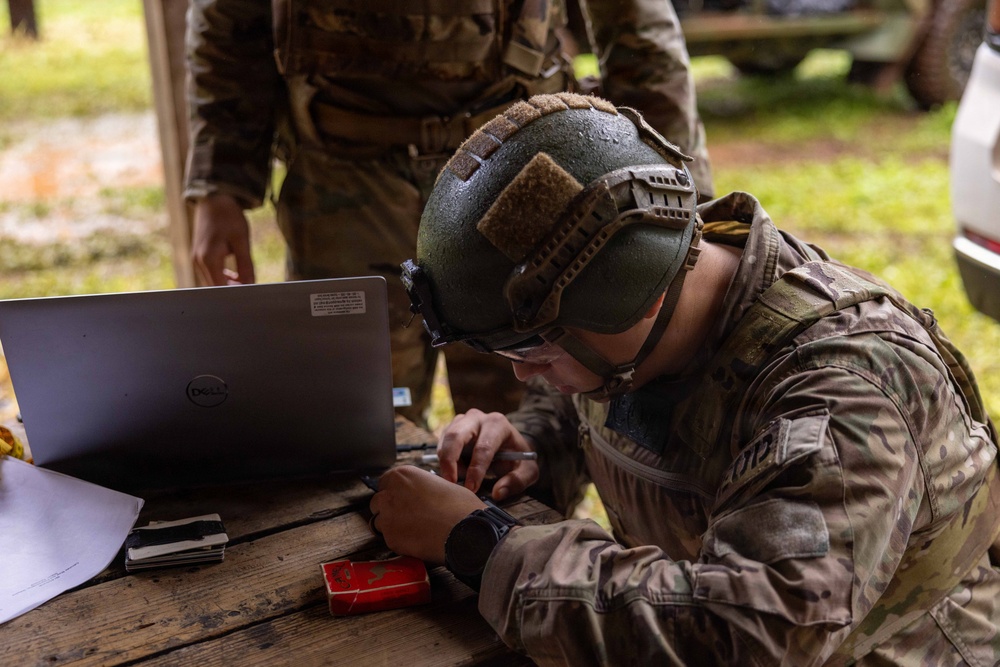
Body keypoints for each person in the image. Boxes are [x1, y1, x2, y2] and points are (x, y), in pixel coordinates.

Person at [369, 92, 1000, 664]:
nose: (522, 370)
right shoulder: (633, 313)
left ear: (638, 297)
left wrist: (485, 546)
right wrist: (535, 444)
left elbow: (745, 637)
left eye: (532, 347)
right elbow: (600, 407)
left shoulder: (840, 395)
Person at [182, 0, 714, 424]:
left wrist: (677, 197)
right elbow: (227, 19)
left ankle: (512, 529)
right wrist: (219, 182)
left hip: (522, 175)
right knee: (350, 412)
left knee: (524, 410)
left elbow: (636, 24)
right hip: (344, 180)